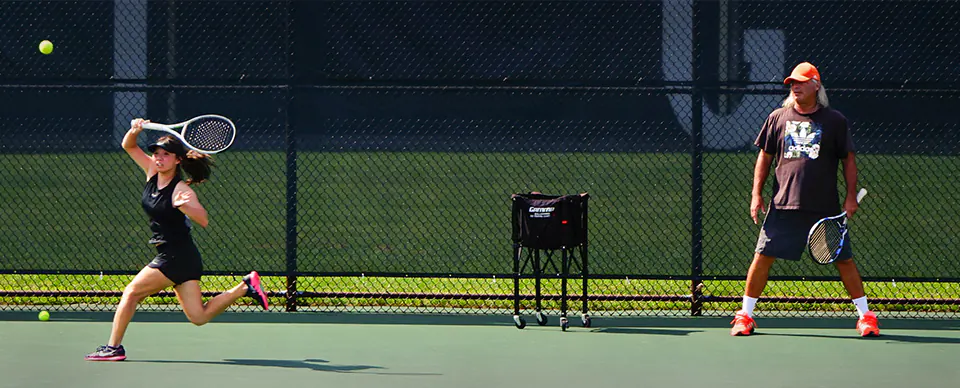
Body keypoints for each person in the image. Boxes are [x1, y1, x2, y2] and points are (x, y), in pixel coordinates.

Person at [85, 119, 269, 361]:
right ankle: (245, 286)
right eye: (157, 153)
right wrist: (135, 130)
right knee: (199, 317)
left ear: (178, 160)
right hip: (184, 258)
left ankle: (113, 348)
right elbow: (129, 146)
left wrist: (186, 207)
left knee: (131, 293)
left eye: (166, 155)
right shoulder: (152, 173)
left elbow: (203, 219)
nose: (159, 158)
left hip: (174, 257)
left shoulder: (181, 190)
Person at [730, 62, 880, 337]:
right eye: (791, 83)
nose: (794, 86)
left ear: (816, 85)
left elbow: (848, 160)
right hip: (783, 204)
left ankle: (866, 317)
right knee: (762, 257)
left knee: (844, 261)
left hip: (823, 207)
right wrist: (756, 194)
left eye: (800, 82)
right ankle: (745, 316)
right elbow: (764, 157)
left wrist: (850, 197)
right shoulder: (778, 117)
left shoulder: (835, 121)